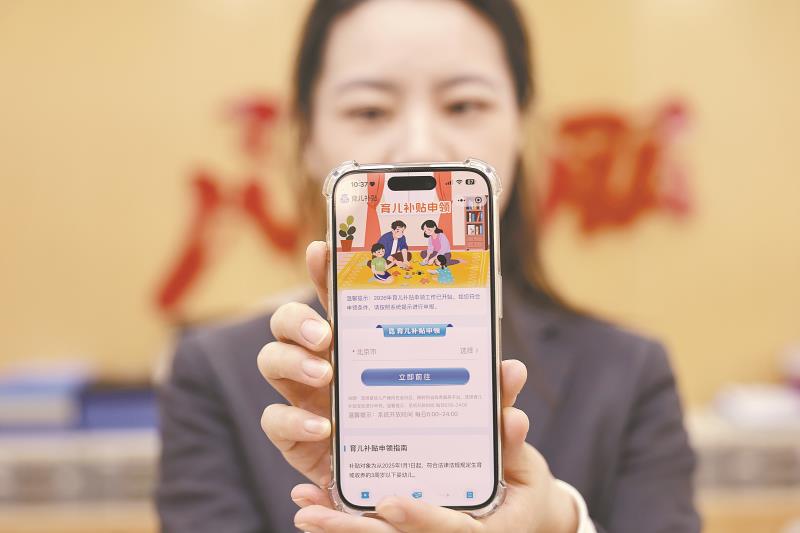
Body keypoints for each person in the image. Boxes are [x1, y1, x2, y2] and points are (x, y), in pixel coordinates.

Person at [157, 1, 701, 532]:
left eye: (463, 105)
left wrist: (561, 524)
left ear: (520, 125)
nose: (419, 147)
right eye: (369, 110)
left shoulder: (630, 374)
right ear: (307, 138)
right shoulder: (215, 375)